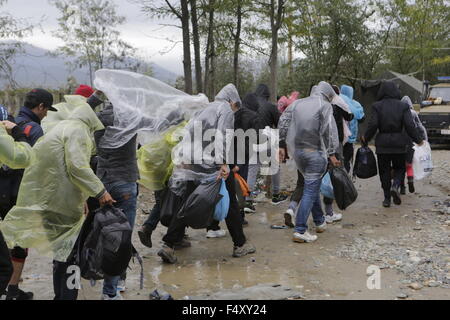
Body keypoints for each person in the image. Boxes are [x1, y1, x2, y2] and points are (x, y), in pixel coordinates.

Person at [0, 95, 114, 300]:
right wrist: (100, 192)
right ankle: (67, 297)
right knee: (72, 258)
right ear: (90, 121)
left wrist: (84, 198)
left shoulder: (59, 127)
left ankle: (59, 296)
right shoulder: (78, 131)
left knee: (61, 255)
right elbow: (77, 168)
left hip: (49, 203)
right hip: (64, 206)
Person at [158, 84, 256, 263]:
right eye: (236, 107)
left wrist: (184, 160)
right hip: (212, 165)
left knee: (186, 203)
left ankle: (168, 245)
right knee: (231, 203)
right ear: (232, 101)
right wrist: (224, 163)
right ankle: (240, 244)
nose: (235, 111)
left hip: (193, 163)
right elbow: (222, 136)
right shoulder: (225, 109)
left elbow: (188, 133)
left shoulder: (204, 109)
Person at [1, 89, 56, 300]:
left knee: (6, 242)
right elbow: (39, 166)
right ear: (40, 106)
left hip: (3, 191)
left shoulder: (10, 121)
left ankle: (10, 288)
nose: (47, 115)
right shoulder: (34, 130)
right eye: (46, 110)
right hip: (19, 195)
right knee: (19, 244)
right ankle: (12, 290)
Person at [279, 81, 341, 243]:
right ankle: (300, 229)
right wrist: (332, 153)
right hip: (315, 153)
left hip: (298, 153)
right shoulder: (325, 106)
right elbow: (329, 132)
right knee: (310, 190)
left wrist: (282, 144)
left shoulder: (298, 103)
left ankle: (320, 221)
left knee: (310, 186)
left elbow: (283, 122)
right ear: (328, 94)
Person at [362, 81, 423, 208]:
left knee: (384, 171)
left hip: (382, 144)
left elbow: (373, 124)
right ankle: (396, 185)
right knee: (400, 168)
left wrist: (365, 138)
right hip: (399, 143)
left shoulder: (377, 106)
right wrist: (418, 139)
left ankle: (386, 199)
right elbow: (409, 125)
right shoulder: (403, 106)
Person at [0, 117, 34, 298]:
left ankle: (12, 290)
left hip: (10, 197)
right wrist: (19, 135)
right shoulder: (26, 130)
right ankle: (12, 290)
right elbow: (24, 158)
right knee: (6, 264)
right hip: (13, 197)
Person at [246, 84, 287, 211]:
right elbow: (280, 123)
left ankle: (248, 201)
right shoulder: (270, 106)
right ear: (267, 95)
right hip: (267, 139)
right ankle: (275, 195)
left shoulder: (249, 105)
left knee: (252, 169)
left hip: (251, 139)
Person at [321, 85, 353, 224]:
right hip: (335, 144)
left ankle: (317, 214)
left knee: (316, 179)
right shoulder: (337, 104)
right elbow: (349, 116)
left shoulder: (316, 106)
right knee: (334, 173)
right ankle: (329, 210)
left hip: (316, 146)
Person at [400, 96, 428, 194]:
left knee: (399, 166)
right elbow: (420, 127)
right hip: (411, 140)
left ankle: (402, 186)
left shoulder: (399, 112)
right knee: (409, 164)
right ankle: (410, 180)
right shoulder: (413, 113)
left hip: (399, 141)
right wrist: (424, 140)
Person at [340, 85, 365, 173]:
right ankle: (345, 179)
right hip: (351, 138)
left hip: (338, 137)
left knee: (338, 159)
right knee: (347, 160)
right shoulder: (356, 104)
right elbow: (362, 119)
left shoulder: (337, 102)